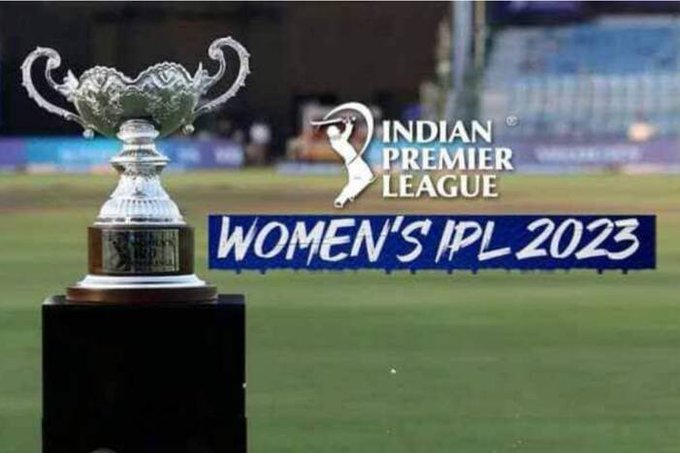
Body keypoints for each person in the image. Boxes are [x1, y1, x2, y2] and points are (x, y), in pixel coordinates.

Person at [326, 117, 374, 208]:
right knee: (366, 178)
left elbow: (347, 132)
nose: (338, 132)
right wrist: (348, 122)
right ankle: (341, 200)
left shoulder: (337, 140)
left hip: (353, 161)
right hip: (354, 162)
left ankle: (350, 195)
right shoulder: (336, 141)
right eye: (337, 131)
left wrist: (348, 123)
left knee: (362, 180)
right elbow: (347, 133)